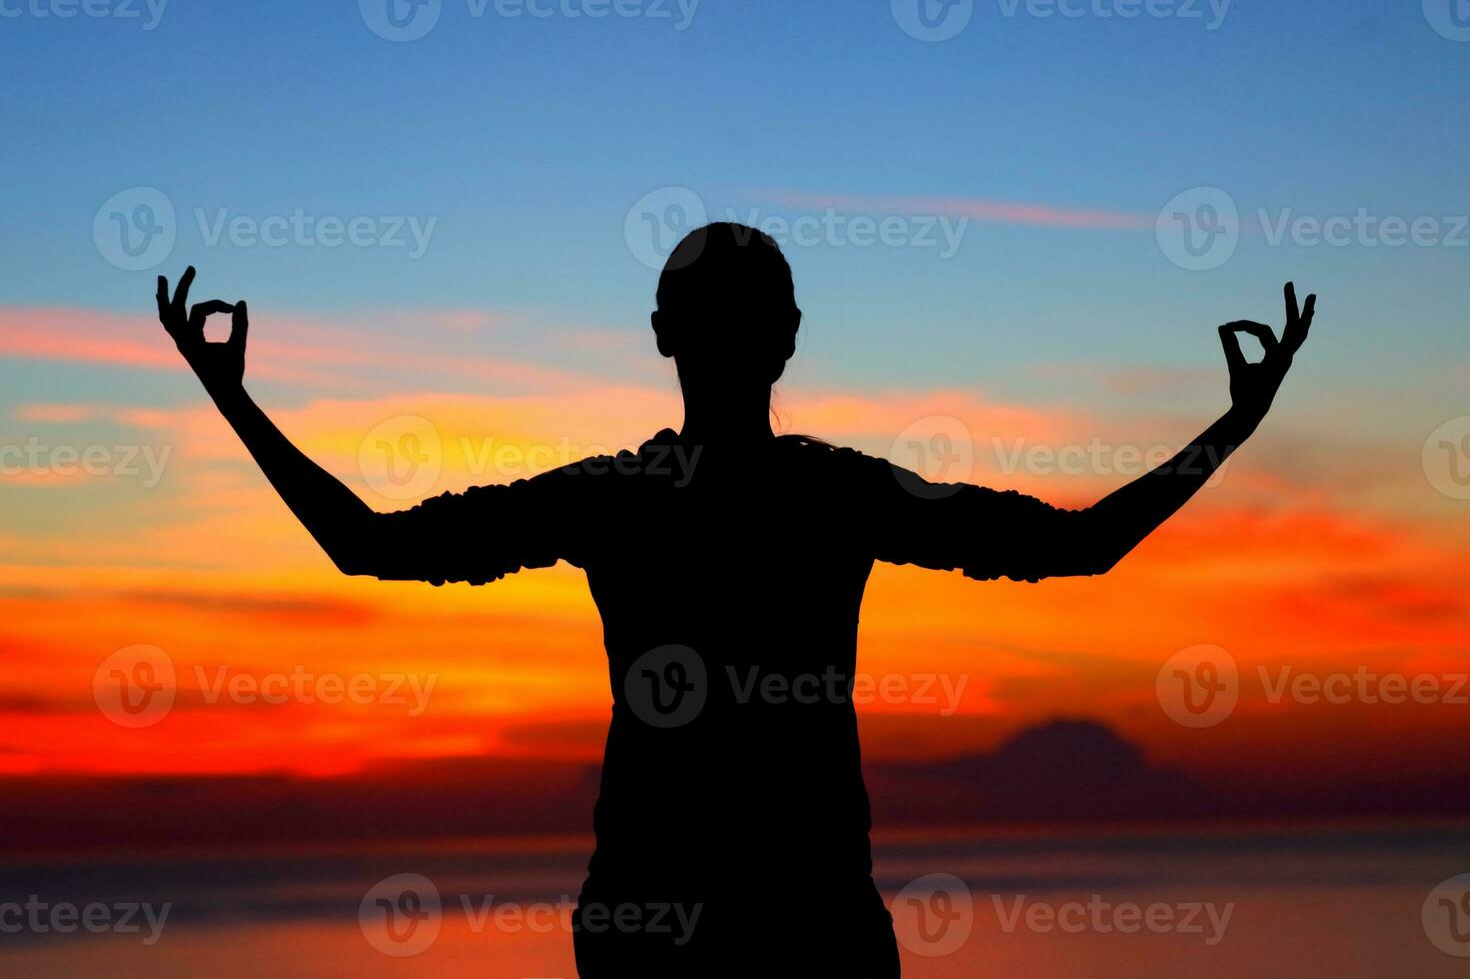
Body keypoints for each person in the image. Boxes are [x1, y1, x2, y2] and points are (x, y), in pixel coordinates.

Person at [156, 223, 1315, 976]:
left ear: (663, 335)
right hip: (797, 928)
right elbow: (1083, 548)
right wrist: (1232, 429)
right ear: (791, 340)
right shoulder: (838, 491)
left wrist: (234, 402)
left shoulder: (620, 495)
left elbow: (368, 546)